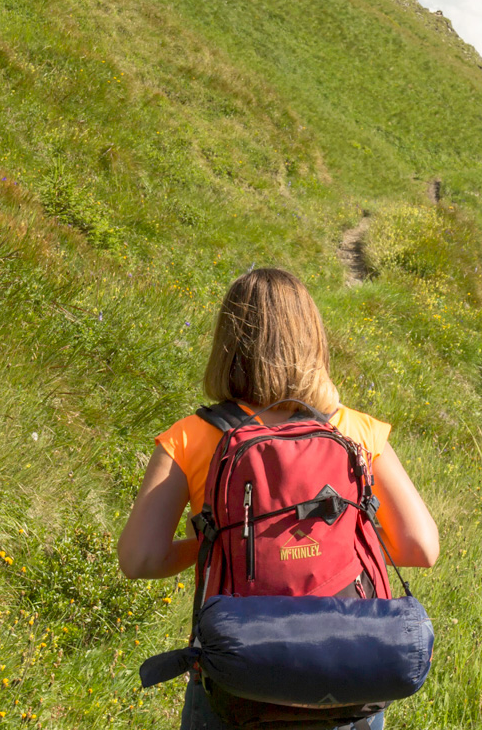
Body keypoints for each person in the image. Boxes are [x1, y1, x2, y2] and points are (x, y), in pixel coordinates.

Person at [117, 268, 440, 730]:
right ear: (313, 341)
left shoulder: (194, 436)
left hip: (239, 673)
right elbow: (421, 549)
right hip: (348, 671)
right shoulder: (355, 431)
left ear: (228, 343)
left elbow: (140, 559)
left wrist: (209, 540)